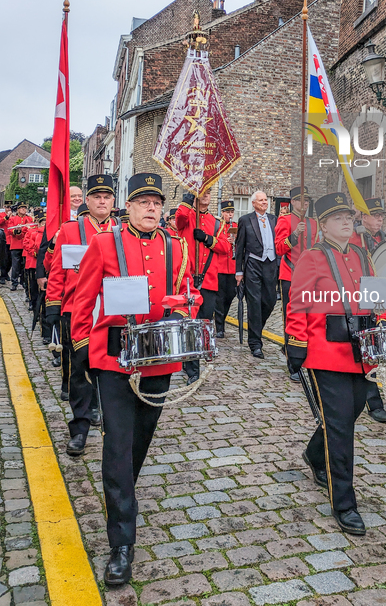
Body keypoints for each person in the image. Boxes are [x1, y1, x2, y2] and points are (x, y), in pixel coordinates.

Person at [71, 173, 194, 587]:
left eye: (156, 202)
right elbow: (84, 298)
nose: (151, 208)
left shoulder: (176, 246)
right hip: (113, 358)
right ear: (130, 205)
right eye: (143, 201)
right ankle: (122, 541)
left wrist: (180, 313)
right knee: (118, 445)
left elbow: (185, 292)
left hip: (159, 361)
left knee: (139, 440)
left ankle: (120, 488)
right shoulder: (104, 243)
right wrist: (82, 348)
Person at [286, 192, 386, 536]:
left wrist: (385, 320)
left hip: (360, 352)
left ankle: (316, 454)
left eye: (348, 217)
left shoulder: (362, 254)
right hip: (324, 353)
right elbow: (298, 303)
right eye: (338, 218)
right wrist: (297, 345)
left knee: (351, 412)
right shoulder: (312, 257)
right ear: (324, 226)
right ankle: (344, 502)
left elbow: (378, 296)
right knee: (342, 427)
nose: (346, 222)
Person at [46, 176, 117, 456]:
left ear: (113, 202)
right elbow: (57, 269)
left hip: (111, 311)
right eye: (96, 196)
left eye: (106, 197)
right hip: (78, 308)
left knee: (109, 367)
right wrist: (53, 304)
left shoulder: (121, 229)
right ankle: (80, 429)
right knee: (80, 370)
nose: (101, 201)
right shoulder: (70, 229)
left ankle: (99, 407)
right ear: (87, 201)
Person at [176, 189, 231, 383]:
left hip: (208, 280)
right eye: (202, 192)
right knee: (190, 323)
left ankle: (192, 358)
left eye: (208, 192)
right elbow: (179, 218)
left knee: (204, 323)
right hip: (188, 279)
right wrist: (188, 197)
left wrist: (207, 240)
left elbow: (225, 247)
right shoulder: (188, 216)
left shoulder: (217, 222)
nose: (206, 195)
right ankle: (193, 370)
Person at [350, 198, 386, 424]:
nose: (379, 219)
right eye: (375, 215)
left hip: (379, 292)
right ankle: (372, 402)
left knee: (373, 350)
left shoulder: (385, 239)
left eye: (381, 216)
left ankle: (373, 401)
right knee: (365, 351)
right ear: (363, 217)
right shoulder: (353, 239)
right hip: (357, 297)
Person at [274, 186, 318, 381]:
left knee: (309, 317)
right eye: (301, 200)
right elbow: (279, 248)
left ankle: (304, 353)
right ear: (293, 202)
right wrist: (293, 236)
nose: (305, 204)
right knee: (291, 318)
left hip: (309, 276)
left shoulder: (313, 223)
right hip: (290, 274)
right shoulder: (284, 221)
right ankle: (293, 364)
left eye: (307, 201)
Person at [235, 190, 278, 358]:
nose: (264, 202)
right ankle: (255, 343)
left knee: (270, 301)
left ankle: (256, 329)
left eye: (266, 200)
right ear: (253, 203)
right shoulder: (245, 220)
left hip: (271, 264)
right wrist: (239, 271)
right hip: (252, 264)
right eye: (261, 200)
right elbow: (239, 247)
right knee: (254, 303)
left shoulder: (274, 219)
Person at [214, 200, 237, 338]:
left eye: (231, 212)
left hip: (232, 268)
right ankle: (219, 327)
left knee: (229, 296)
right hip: (220, 267)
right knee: (220, 298)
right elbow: (215, 242)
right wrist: (226, 242)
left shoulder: (236, 226)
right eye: (227, 212)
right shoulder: (218, 226)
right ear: (222, 213)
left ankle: (222, 319)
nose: (230, 214)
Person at [8, 203, 33, 291]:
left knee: (24, 266)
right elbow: (10, 229)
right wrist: (18, 231)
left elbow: (31, 228)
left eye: (24, 208)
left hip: (25, 246)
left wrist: (22, 229)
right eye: (21, 208)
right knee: (15, 265)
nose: (23, 209)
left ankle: (24, 282)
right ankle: (14, 283)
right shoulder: (13, 218)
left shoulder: (29, 218)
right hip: (15, 245)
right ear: (18, 210)